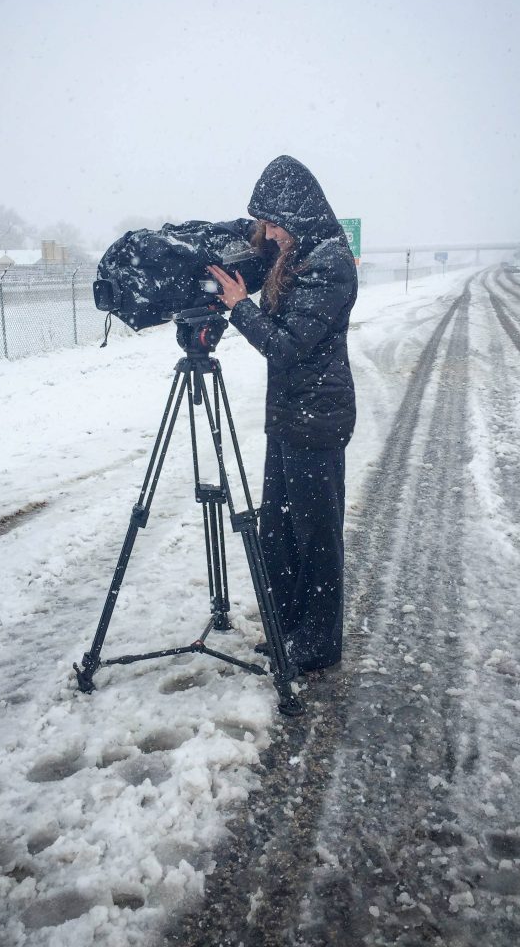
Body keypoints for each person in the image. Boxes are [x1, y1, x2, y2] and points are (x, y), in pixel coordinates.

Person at [208, 155, 357, 676]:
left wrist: (239, 307)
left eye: (273, 221)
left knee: (316, 533)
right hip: (291, 416)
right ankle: (288, 626)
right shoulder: (295, 256)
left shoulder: (329, 262)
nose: (267, 233)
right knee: (279, 529)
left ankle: (319, 643)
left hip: (318, 419)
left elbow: (288, 345)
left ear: (297, 214)